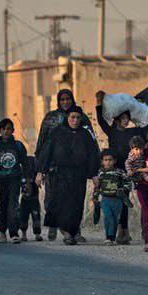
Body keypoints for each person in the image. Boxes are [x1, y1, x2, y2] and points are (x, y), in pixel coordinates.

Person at [35, 89, 93, 241]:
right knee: (54, 198)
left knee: (76, 200)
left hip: (77, 169)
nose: (65, 102)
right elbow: (43, 142)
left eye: (68, 99)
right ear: (58, 101)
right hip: (55, 167)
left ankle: (74, 231)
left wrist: (93, 171)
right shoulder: (51, 118)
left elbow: (91, 145)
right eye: (62, 99)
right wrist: (40, 168)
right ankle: (56, 226)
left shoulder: (83, 119)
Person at [95, 90, 146, 245]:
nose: (126, 121)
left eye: (127, 119)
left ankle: (124, 231)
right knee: (113, 198)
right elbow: (101, 122)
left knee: (124, 198)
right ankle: (117, 230)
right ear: (117, 120)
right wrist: (98, 103)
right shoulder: (111, 131)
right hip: (113, 171)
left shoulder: (133, 132)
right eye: (123, 119)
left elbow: (144, 127)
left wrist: (141, 106)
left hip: (127, 170)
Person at [0, 118, 28, 244]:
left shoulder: (18, 145)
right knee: (2, 206)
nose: (6, 131)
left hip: (15, 179)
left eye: (9, 129)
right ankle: (2, 231)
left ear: (13, 130)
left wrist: (27, 180)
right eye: (4, 129)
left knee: (13, 205)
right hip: (1, 180)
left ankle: (14, 233)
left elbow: (25, 164)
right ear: (0, 130)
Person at [94, 150, 133, 246]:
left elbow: (128, 183)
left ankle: (112, 237)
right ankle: (108, 237)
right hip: (105, 199)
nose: (108, 162)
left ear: (114, 161)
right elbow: (97, 186)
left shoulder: (119, 172)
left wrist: (122, 189)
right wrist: (95, 196)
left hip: (117, 199)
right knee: (108, 216)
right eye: (105, 160)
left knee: (115, 219)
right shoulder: (100, 173)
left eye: (110, 160)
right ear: (102, 161)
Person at [18, 155, 43, 242]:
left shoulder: (36, 175)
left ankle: (37, 234)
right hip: (24, 199)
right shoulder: (21, 175)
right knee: (23, 218)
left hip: (34, 199)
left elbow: (40, 181)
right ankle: (23, 234)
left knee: (36, 217)